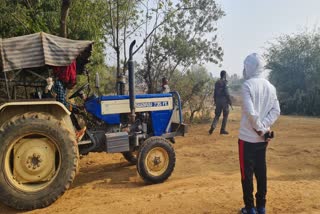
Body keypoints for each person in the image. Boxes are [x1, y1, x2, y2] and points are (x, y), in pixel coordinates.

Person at [238, 53, 280, 214]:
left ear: (249, 67)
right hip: (263, 140)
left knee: (246, 175)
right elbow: (276, 111)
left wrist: (260, 128)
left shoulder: (247, 85)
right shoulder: (270, 87)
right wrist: (264, 129)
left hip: (246, 139)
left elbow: (250, 113)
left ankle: (250, 208)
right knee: (261, 172)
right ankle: (261, 206)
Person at [52, 61, 87, 141]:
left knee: (71, 109)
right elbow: (62, 103)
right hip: (57, 109)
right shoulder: (58, 84)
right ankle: (77, 131)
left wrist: (76, 107)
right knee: (69, 111)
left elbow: (63, 101)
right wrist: (76, 108)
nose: (71, 85)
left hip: (58, 106)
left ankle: (78, 130)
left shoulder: (62, 84)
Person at [208, 70, 232, 135]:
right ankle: (222, 130)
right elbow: (227, 93)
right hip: (224, 101)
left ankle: (213, 127)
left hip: (218, 100)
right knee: (225, 115)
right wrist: (230, 101)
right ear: (224, 75)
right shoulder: (225, 82)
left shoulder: (217, 82)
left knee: (217, 115)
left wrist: (215, 100)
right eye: (225, 75)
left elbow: (215, 92)